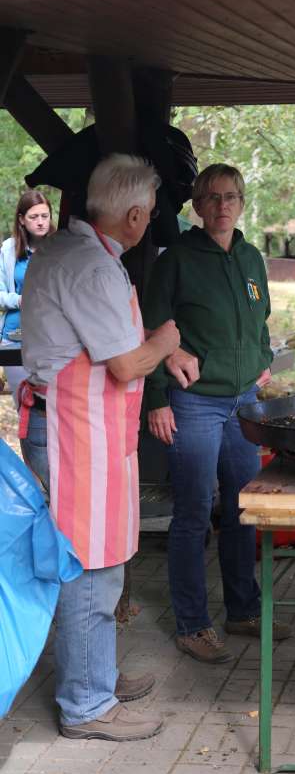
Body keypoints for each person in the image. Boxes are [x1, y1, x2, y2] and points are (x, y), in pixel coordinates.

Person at [19, 154, 190, 742]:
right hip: (74, 438)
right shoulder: (92, 266)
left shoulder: (68, 251)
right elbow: (123, 364)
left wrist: (161, 350)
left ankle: (97, 675)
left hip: (81, 432)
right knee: (89, 569)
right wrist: (167, 338)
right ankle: (86, 704)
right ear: (137, 215)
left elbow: (109, 342)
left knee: (99, 565)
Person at [143, 163, 289, 665]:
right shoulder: (177, 260)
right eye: (212, 198)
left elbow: (261, 319)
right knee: (193, 511)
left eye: (230, 197)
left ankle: (243, 610)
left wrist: (262, 361)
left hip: (244, 402)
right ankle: (192, 624)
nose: (222, 206)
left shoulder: (250, 258)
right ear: (197, 207)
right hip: (196, 403)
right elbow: (152, 329)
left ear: (241, 202)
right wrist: (158, 397)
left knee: (243, 506)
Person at [0, 189, 54, 397]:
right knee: (22, 404)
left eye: (44, 216)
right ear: (22, 220)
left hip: (51, 340)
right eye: (34, 217)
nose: (40, 222)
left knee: (47, 406)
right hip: (13, 339)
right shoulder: (8, 250)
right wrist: (20, 300)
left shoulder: (61, 248)